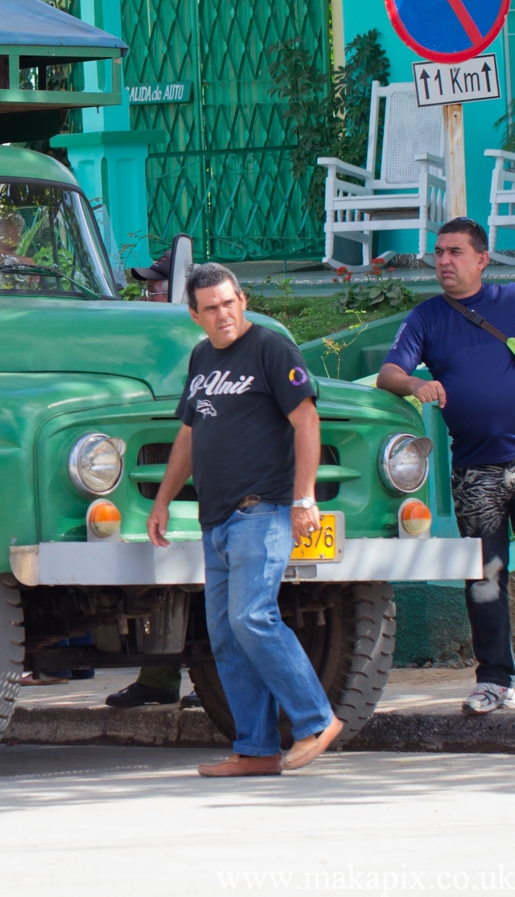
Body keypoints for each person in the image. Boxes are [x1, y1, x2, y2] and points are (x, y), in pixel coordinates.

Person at [148, 263, 342, 777]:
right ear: (195, 315)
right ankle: (255, 749)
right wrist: (164, 498)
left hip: (264, 510)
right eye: (210, 307)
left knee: (252, 617)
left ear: (243, 300)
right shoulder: (202, 357)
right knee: (227, 636)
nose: (222, 313)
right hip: (216, 521)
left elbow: (306, 420)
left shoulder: (271, 349)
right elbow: (189, 434)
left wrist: (304, 499)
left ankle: (316, 721)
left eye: (229, 302)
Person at [378, 217, 515, 715]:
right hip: (476, 471)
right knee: (485, 578)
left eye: (455, 252)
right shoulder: (427, 317)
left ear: (482, 259)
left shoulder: (511, 300)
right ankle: (494, 680)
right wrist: (416, 385)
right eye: (438, 252)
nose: (444, 261)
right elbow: (390, 372)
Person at [107, 244, 200, 710]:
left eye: (157, 285)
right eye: (147, 286)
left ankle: (213, 684)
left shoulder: (198, 336)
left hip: (212, 477)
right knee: (164, 579)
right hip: (157, 472)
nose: (149, 293)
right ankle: (160, 677)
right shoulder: (149, 334)